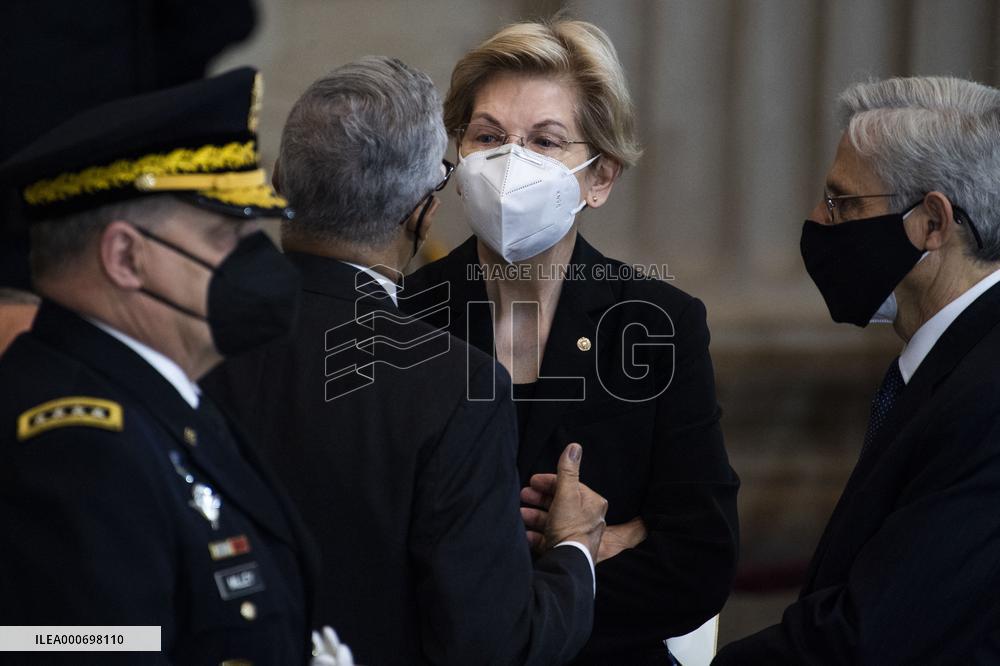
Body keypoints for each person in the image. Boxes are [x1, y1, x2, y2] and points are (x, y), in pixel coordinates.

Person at [203, 56, 608, 666]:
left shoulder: (189, 335)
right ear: (423, 211)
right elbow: (492, 646)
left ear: (280, 182)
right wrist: (574, 551)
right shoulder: (453, 385)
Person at [401, 18, 740, 666]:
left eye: (544, 141)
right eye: (488, 136)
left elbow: (700, 562)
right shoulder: (407, 318)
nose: (509, 162)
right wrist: (589, 549)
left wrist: (518, 589)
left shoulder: (656, 324)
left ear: (600, 177)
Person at [0, 68, 327, 664]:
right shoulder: (78, 449)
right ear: (126, 256)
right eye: (225, 235)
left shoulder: (165, 402)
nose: (256, 259)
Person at [713, 76, 1000, 664]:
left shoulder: (987, 394)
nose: (817, 219)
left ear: (932, 224)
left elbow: (871, 635)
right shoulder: (958, 362)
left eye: (840, 202)